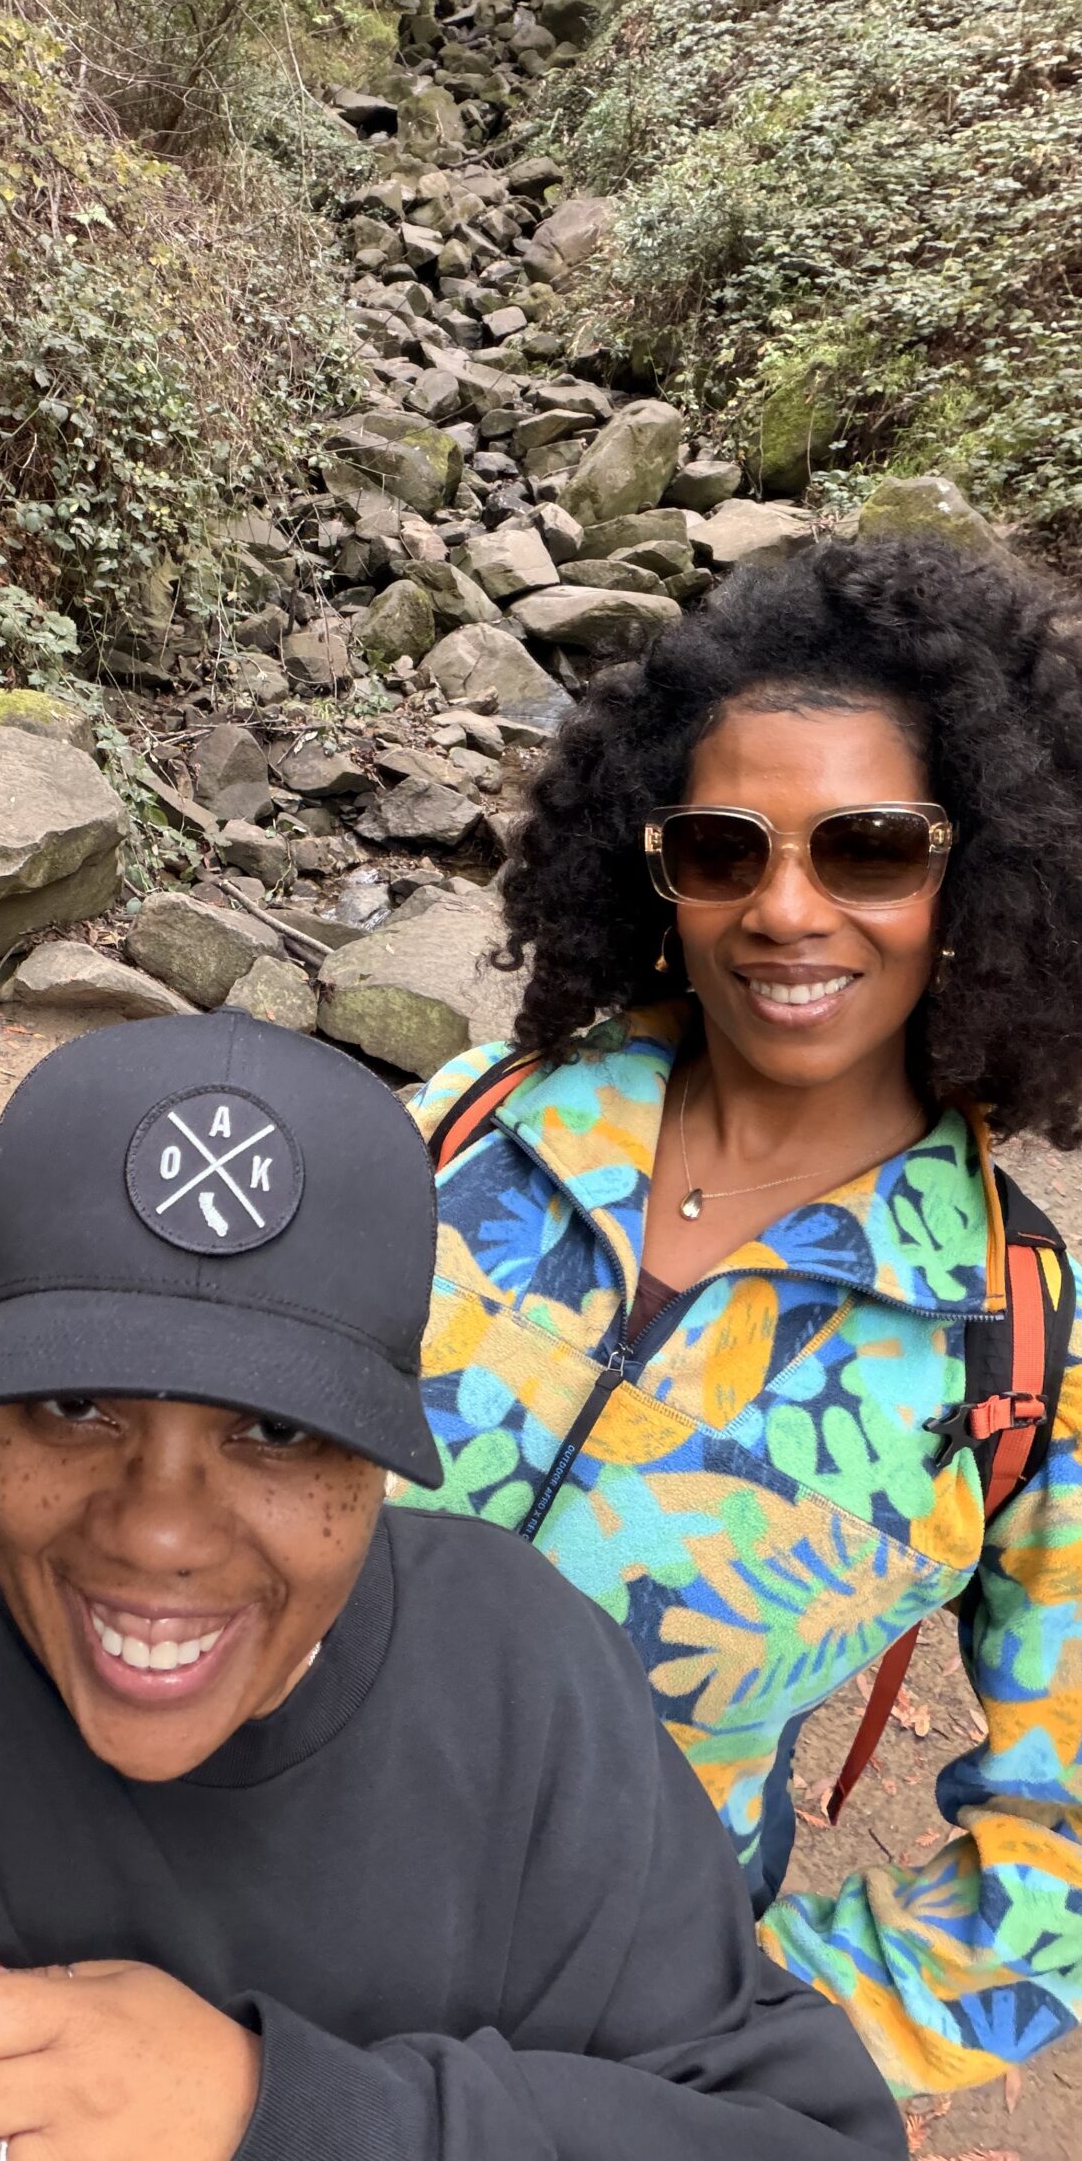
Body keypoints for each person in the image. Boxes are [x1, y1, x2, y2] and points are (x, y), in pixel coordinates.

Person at [0, 1010, 903, 2161]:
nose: (161, 1533)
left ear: (382, 1455)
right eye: (73, 1406)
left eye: (276, 1430)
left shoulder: (525, 1683)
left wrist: (277, 2116)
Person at [408, 532, 1082, 2099]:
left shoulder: (1014, 1345)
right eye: (723, 850)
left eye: (870, 850)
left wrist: (728, 2046)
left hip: (569, 2070)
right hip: (211, 1918)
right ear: (653, 865)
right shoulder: (468, 1127)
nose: (785, 909)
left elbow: (1057, 1875)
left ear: (980, 873)